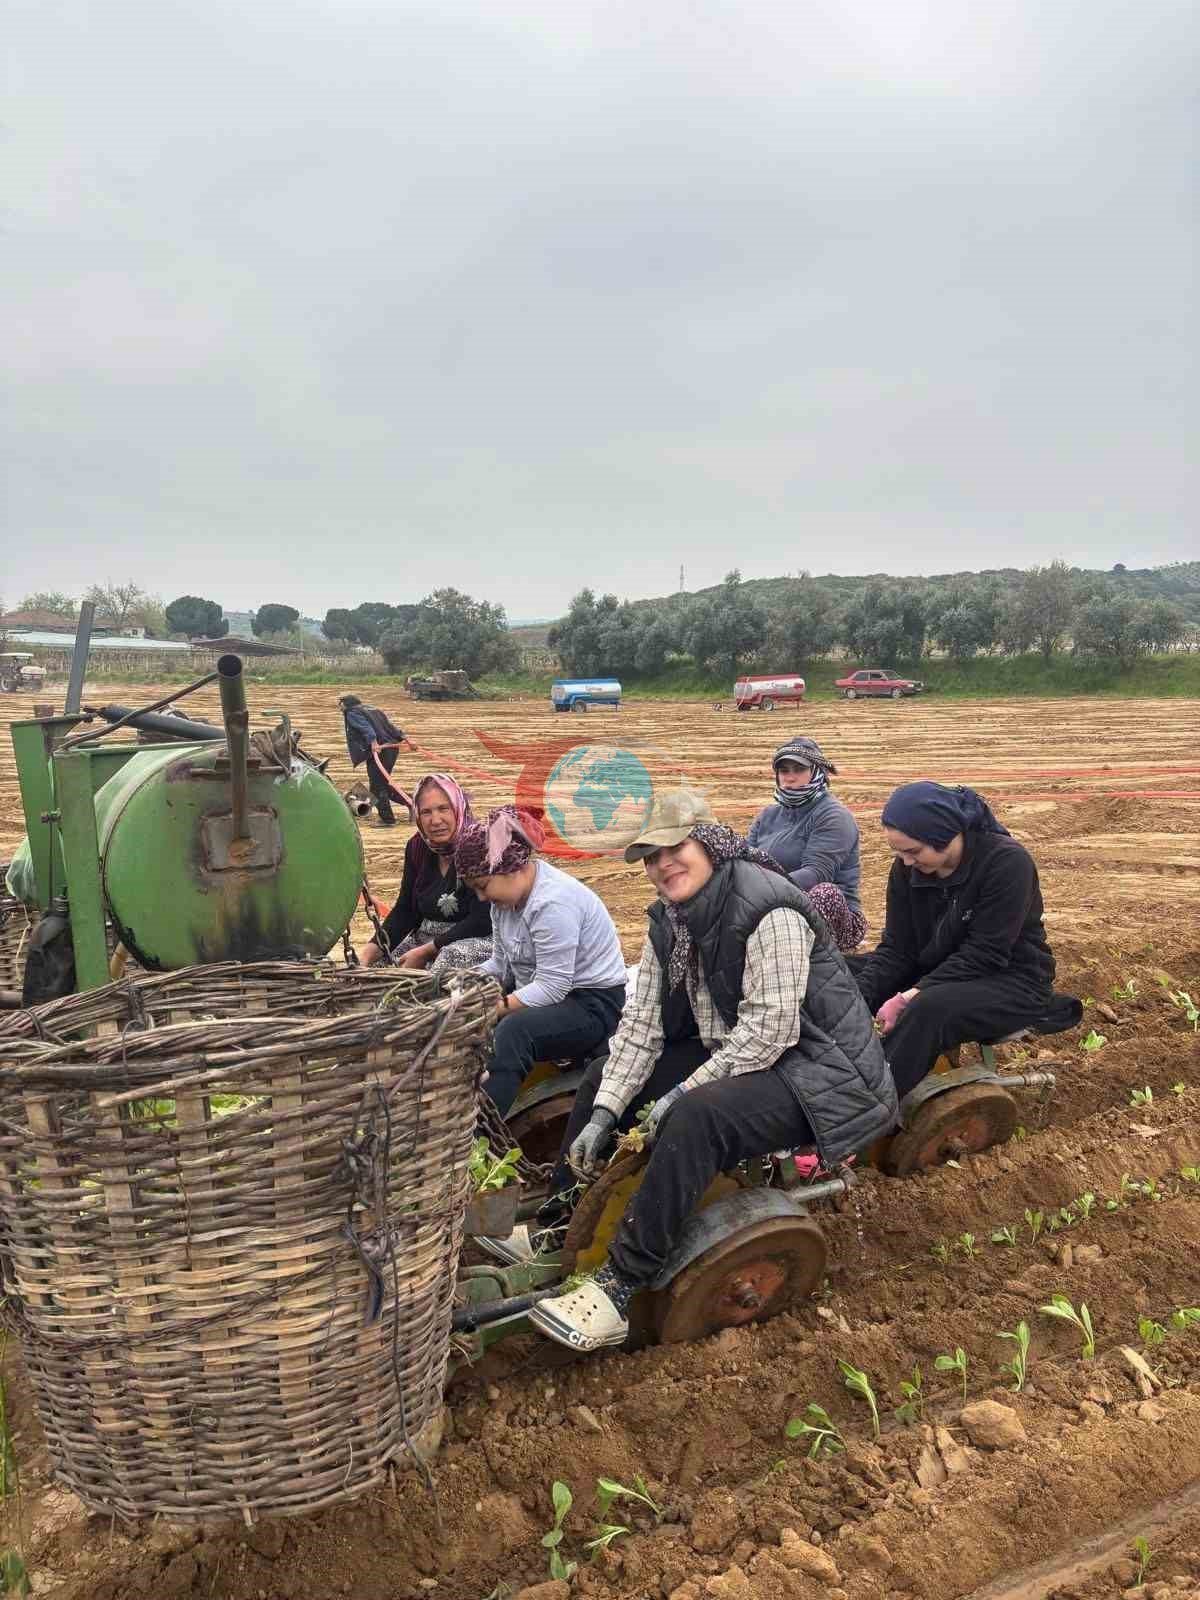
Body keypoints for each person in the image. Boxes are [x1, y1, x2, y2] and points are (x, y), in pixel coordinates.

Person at [504, 789, 895, 1353]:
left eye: (673, 848)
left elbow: (772, 1031)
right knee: (600, 1079)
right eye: (649, 857)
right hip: (744, 1050)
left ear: (710, 842)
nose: (662, 865)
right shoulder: (672, 920)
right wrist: (607, 1111)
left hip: (821, 1068)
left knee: (696, 1116)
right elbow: (641, 1029)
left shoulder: (770, 907)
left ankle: (620, 1284)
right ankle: (559, 1223)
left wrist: (681, 1091)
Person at [849, 781, 1077, 1101]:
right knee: (840, 973)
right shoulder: (905, 870)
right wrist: (854, 997)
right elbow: (898, 949)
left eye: (914, 851)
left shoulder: (1006, 863)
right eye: (899, 852)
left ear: (944, 835)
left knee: (928, 1008)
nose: (907, 861)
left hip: (1011, 979)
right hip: (939, 968)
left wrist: (910, 996)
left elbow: (986, 953)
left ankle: (864, 1109)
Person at [457, 806, 628, 1116]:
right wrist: (461, 982)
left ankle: (481, 1129)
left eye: (483, 887)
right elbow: (500, 964)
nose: (482, 898)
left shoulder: (552, 903)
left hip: (592, 1003)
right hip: (553, 995)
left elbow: (552, 986)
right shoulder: (504, 905)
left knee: (513, 1032)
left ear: (509, 868)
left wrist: (496, 1009)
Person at [356, 774, 493, 976]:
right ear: (417, 816)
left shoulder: (478, 845)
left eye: (443, 809)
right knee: (381, 967)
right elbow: (405, 910)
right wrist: (371, 950)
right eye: (426, 812)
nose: (435, 820)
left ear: (458, 808)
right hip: (425, 939)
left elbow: (483, 919)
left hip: (475, 939)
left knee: (444, 963)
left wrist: (429, 951)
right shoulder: (416, 847)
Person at [747, 736, 866, 951]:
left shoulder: (833, 816)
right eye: (784, 771)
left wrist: (761, 892)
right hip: (771, 904)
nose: (790, 778)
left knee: (824, 894)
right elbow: (746, 862)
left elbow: (816, 873)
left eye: (798, 770)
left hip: (834, 914)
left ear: (817, 772)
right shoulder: (767, 815)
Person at [339, 694, 413, 826]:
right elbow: (392, 727)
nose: (339, 707)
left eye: (340, 704)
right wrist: (408, 740)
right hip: (391, 749)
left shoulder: (352, 712)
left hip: (380, 750)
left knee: (377, 786)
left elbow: (366, 729)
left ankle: (387, 820)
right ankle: (411, 802)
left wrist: (373, 743)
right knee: (383, 784)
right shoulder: (373, 709)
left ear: (345, 704)